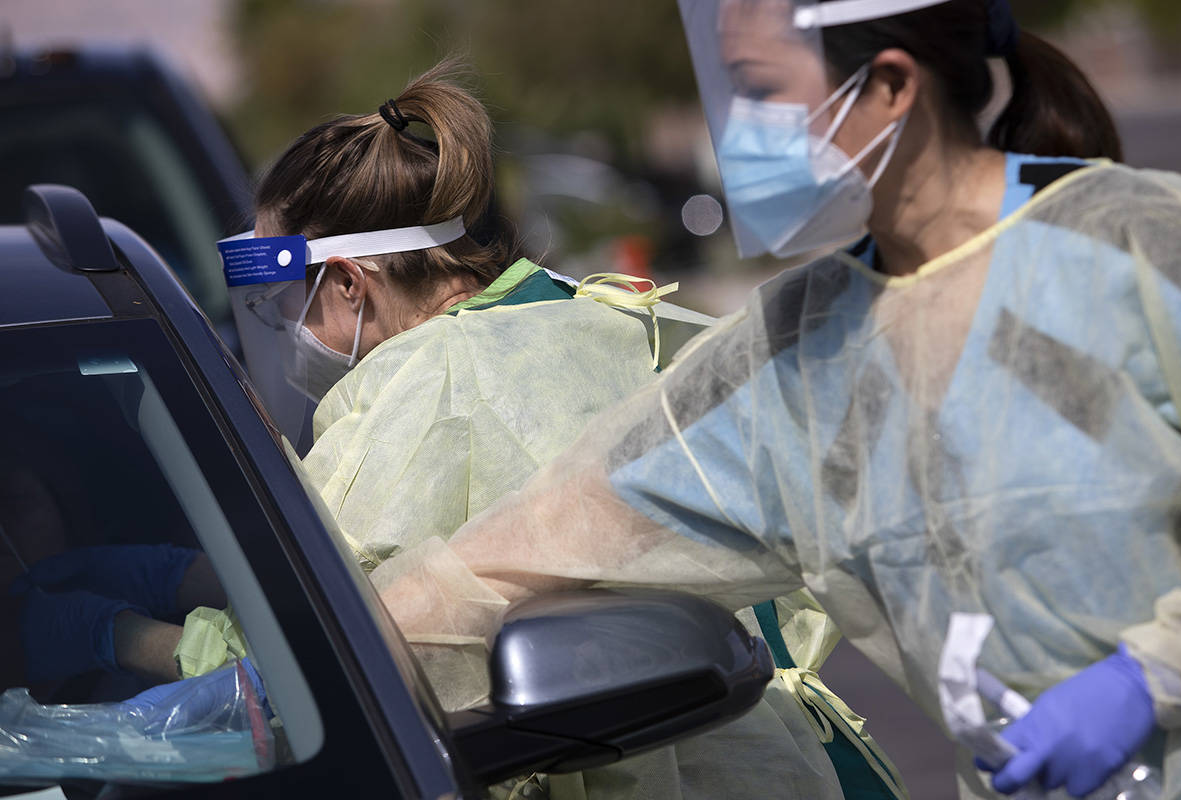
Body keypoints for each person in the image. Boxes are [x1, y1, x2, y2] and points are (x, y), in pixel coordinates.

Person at [367, 3, 1181, 799]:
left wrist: (1152, 676)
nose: (738, 129)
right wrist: (301, 677)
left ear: (890, 86)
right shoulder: (799, 353)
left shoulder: (1141, 249)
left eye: (760, 90)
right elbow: (523, 551)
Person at [13, 62, 896, 800]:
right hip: (799, 759)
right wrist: (190, 575)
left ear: (351, 284)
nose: (281, 328)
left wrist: (114, 634)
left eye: (286, 300)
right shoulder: (590, 315)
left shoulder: (428, 384)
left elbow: (318, 661)